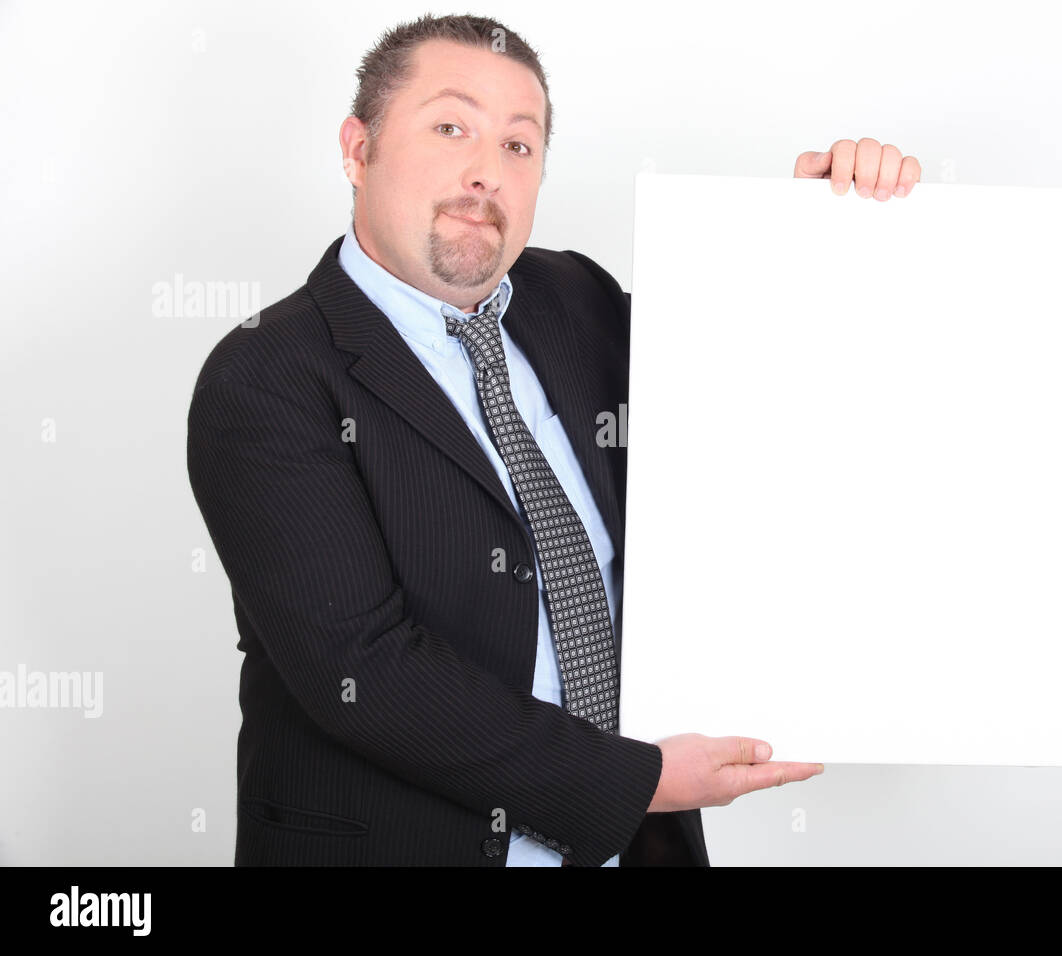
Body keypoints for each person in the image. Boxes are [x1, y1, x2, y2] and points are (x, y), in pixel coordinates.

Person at [185, 13, 921, 867]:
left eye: (519, 146)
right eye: (451, 127)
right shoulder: (267, 376)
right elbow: (367, 673)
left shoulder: (577, 300)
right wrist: (633, 782)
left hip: (636, 849)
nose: (484, 174)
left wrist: (816, 233)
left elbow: (763, 414)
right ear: (358, 149)